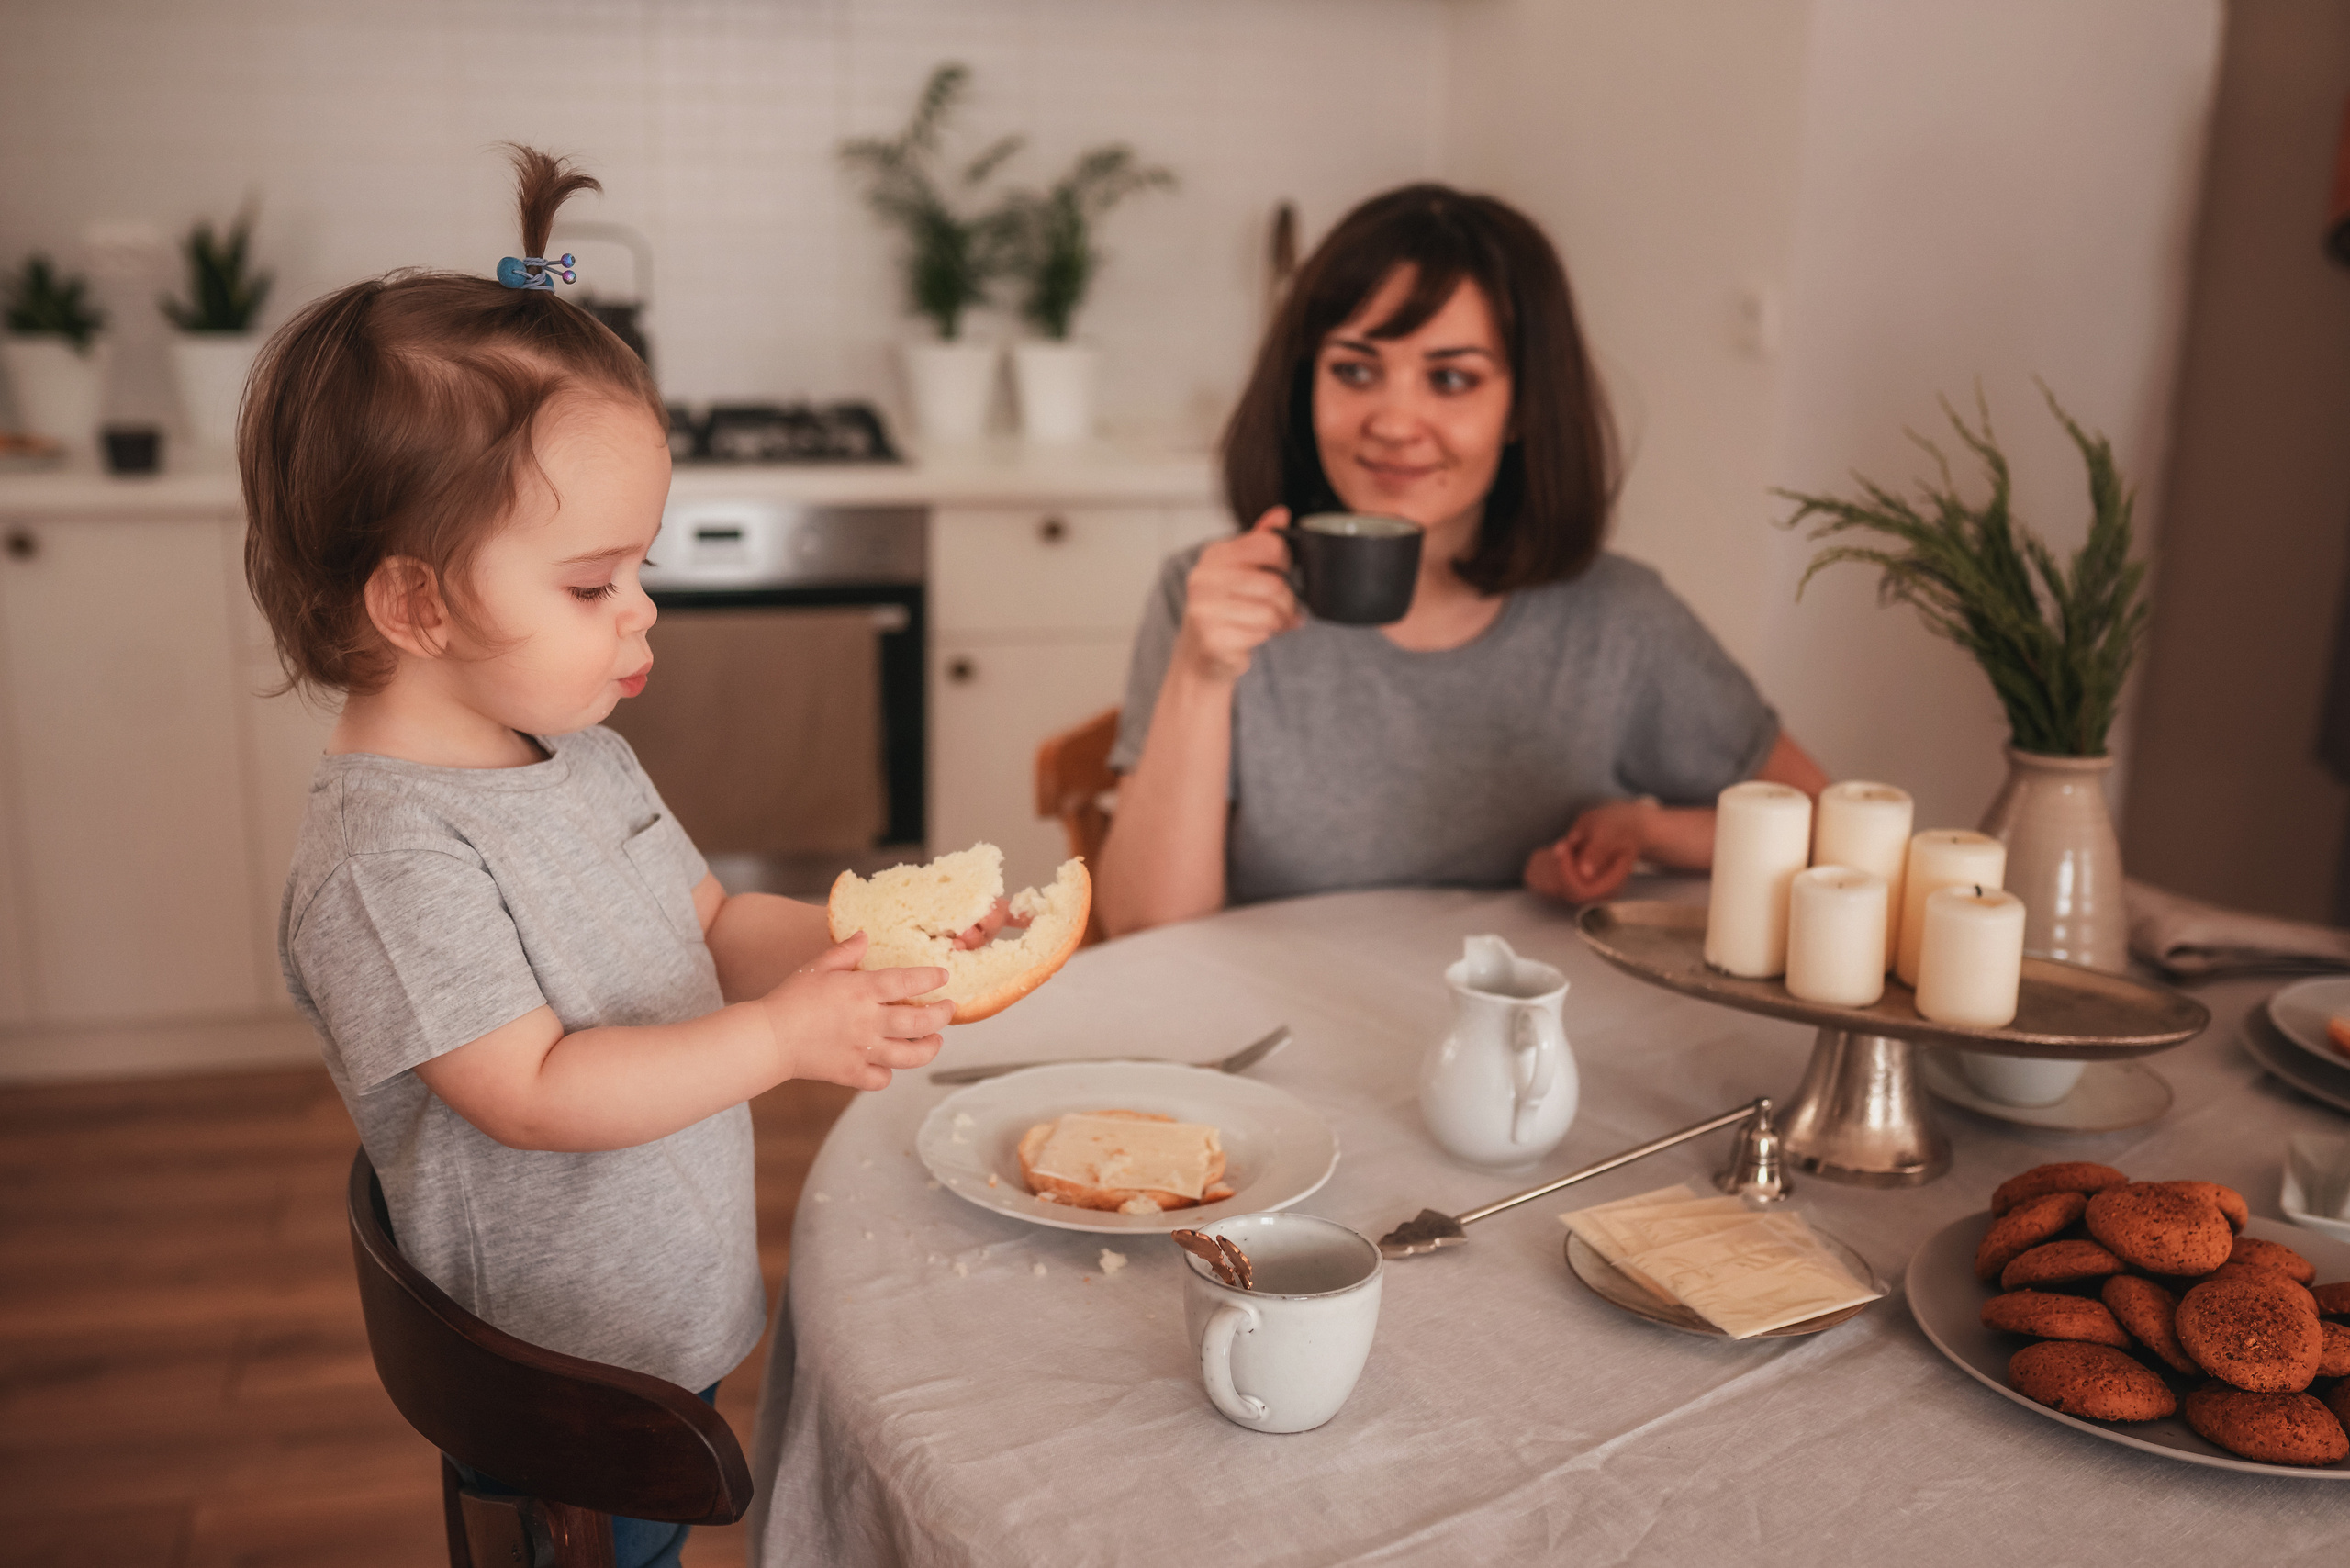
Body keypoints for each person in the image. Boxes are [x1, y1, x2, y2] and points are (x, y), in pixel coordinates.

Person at [244, 148, 968, 1568]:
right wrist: (782, 1041)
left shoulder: (573, 752)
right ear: (414, 604)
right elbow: (531, 1095)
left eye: (641, 567)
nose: (641, 613)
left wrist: (863, 939)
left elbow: (710, 924)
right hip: (558, 1383)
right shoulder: (390, 861)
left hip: (652, 1327)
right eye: (591, 583)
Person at [1096, 184, 1826, 936]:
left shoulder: (1619, 622)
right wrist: (1201, 673)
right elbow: (1145, 933)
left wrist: (1643, 830)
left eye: (1450, 379)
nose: (1394, 422)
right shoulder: (1210, 596)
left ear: (1523, 409)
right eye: (1353, 370)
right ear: (1304, 385)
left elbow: (1821, 827)